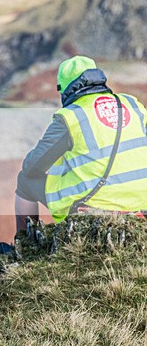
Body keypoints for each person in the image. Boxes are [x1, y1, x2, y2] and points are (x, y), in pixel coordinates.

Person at [15, 55, 147, 231]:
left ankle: (24, 244)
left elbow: (32, 167)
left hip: (96, 207)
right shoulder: (132, 103)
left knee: (25, 181)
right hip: (142, 203)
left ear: (65, 89)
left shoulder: (71, 117)